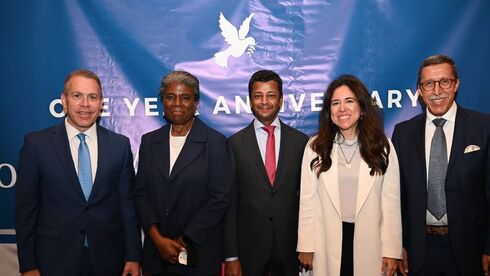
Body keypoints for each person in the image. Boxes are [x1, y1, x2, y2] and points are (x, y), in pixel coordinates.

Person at [15, 69, 142, 276]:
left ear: (101, 103)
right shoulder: (37, 145)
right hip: (53, 261)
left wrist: (134, 257)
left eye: (93, 97)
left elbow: (127, 207)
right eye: (77, 96)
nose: (85, 104)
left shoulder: (119, 145)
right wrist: (28, 265)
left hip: (108, 259)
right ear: (64, 101)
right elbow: (25, 211)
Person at [392, 54, 490, 276]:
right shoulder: (403, 133)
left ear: (456, 84)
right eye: (429, 84)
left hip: (470, 252)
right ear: (420, 90)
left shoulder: (484, 128)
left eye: (444, 81)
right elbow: (397, 197)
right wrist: (399, 245)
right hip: (419, 251)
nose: (437, 91)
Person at [297, 75, 402, 276]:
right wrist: (306, 245)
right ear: (329, 111)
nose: (342, 108)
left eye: (349, 101)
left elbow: (391, 204)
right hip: (326, 241)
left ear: (362, 108)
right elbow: (307, 201)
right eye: (335, 103)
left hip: (371, 242)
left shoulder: (383, 147)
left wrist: (391, 251)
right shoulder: (315, 147)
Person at [134, 70, 231, 275]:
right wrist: (158, 240)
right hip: (156, 255)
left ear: (196, 104)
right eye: (170, 97)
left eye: (185, 98)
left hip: (197, 253)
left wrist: (182, 240)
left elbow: (220, 198)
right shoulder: (149, 141)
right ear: (163, 102)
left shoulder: (214, 142)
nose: (177, 103)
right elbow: (141, 194)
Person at [224, 69, 309, 276]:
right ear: (250, 101)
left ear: (280, 100)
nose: (264, 101)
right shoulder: (233, 144)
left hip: (291, 249)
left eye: (271, 95)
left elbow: (309, 201)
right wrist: (231, 256)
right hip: (249, 251)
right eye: (258, 96)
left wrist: (308, 244)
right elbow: (229, 203)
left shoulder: (301, 142)